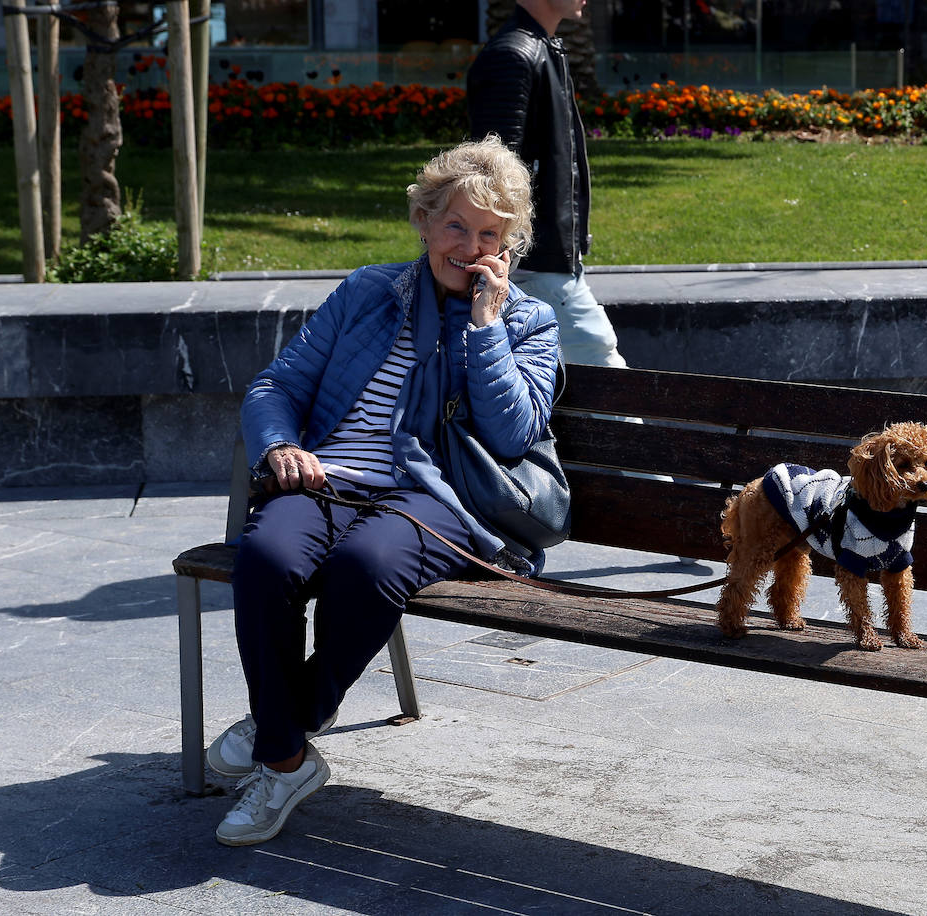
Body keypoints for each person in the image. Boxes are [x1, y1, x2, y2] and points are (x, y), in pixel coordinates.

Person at [207, 136, 560, 847]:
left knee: (364, 567)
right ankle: (288, 756)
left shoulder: (527, 321)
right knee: (266, 556)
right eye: (455, 225)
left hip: (436, 496)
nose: (469, 245)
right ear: (425, 222)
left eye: (488, 232)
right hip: (328, 477)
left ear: (509, 242)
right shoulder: (369, 292)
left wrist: (485, 330)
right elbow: (277, 385)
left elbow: (514, 433)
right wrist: (281, 446)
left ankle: (282, 730)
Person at [467, 0, 626, 368]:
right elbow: (490, 175)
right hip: (533, 265)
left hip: (540, 261)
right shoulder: (515, 54)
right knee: (602, 364)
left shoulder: (540, 48)